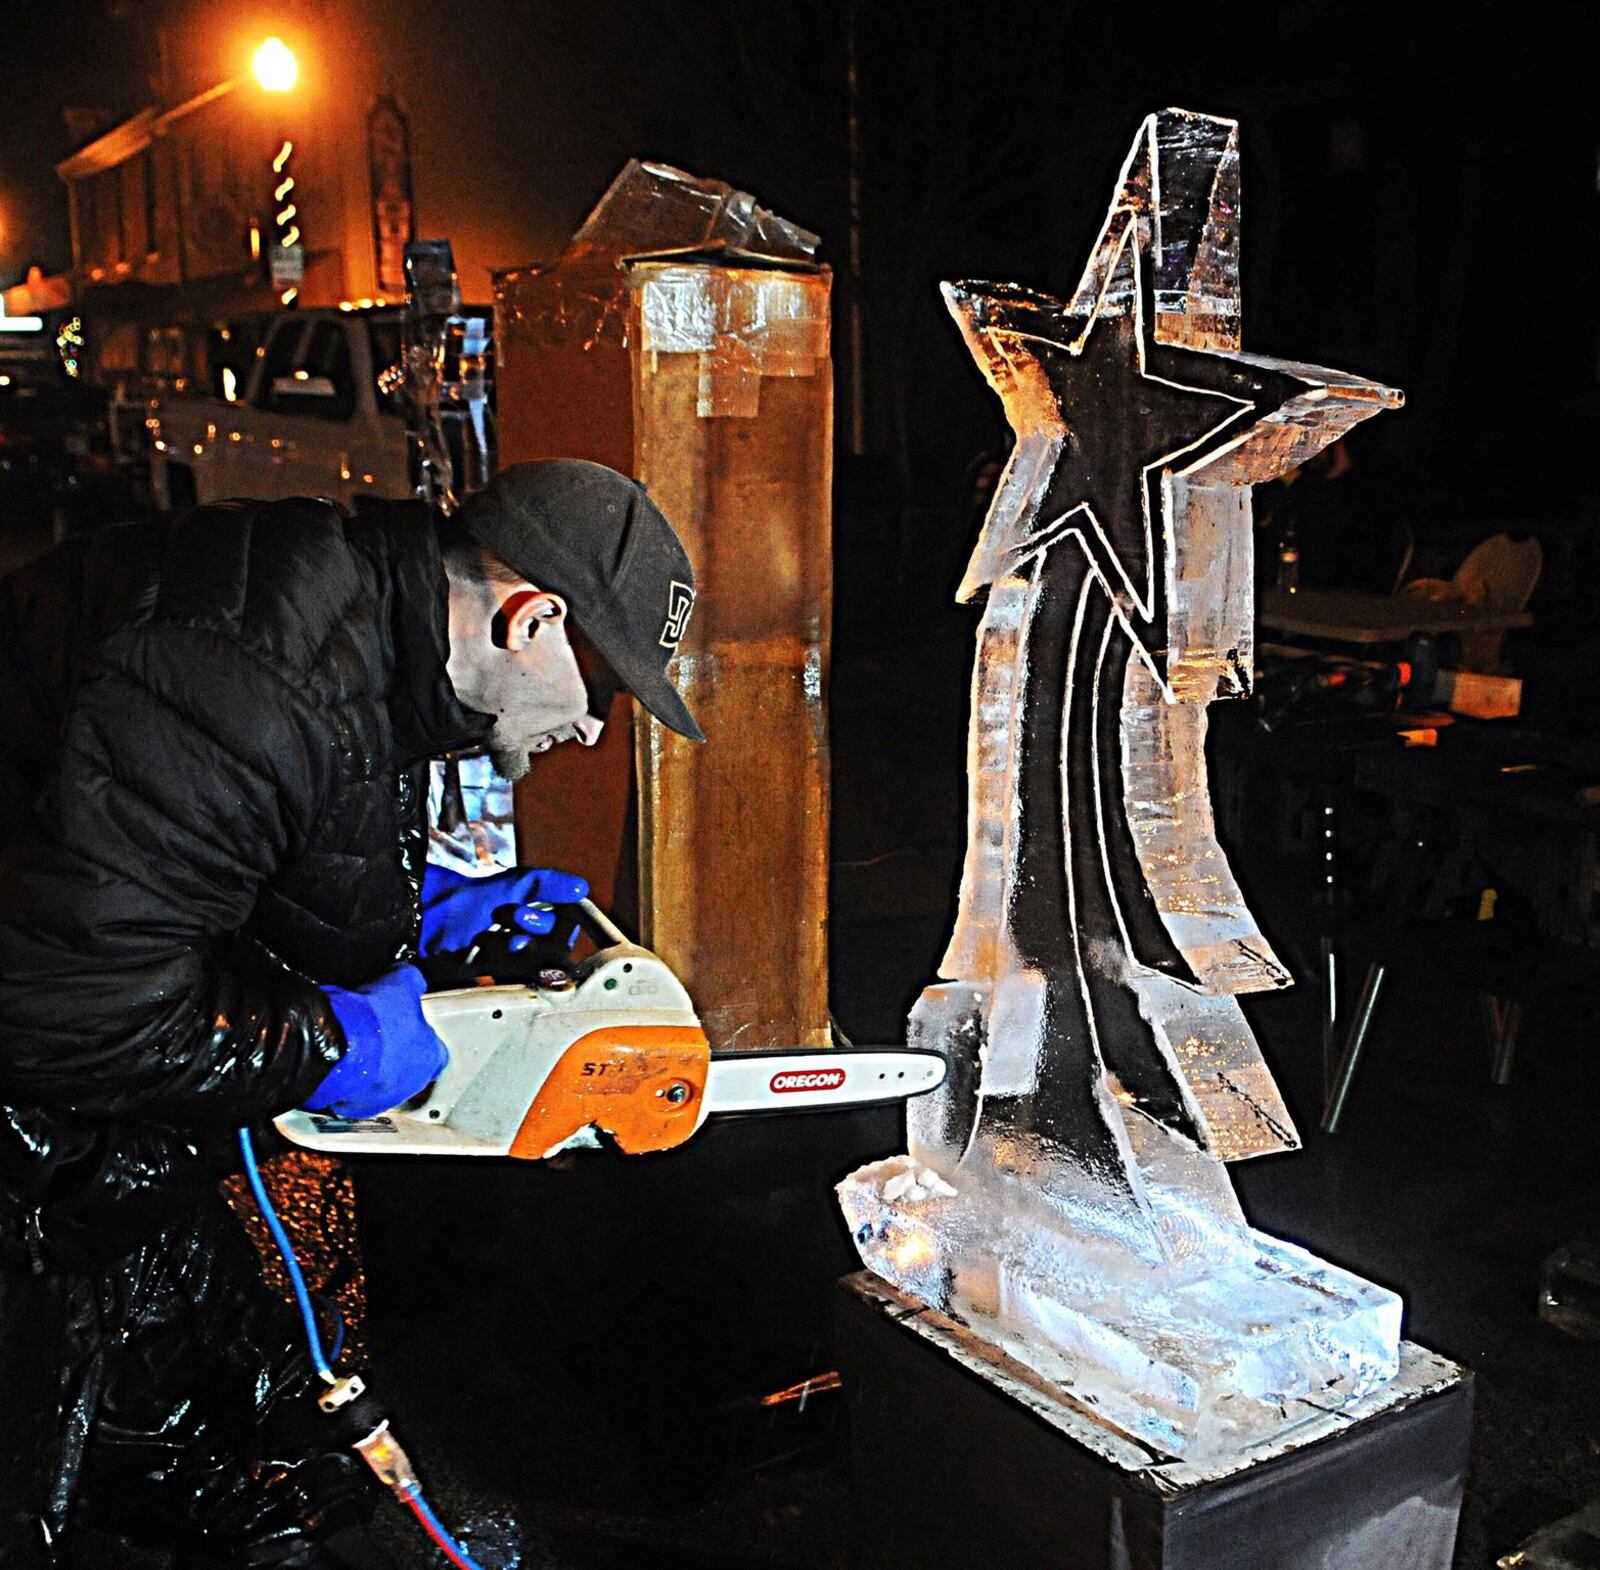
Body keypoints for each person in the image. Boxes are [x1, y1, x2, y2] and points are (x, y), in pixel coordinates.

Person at [0, 459, 702, 1568]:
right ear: (533, 618)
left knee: (228, 1426)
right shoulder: (246, 675)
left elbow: (204, 852)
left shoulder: (362, 620)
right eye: (603, 690)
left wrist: (409, 921)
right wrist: (328, 1043)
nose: (593, 729)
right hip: (33, 1103)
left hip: (65, 1080)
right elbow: (67, 1009)